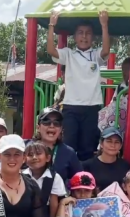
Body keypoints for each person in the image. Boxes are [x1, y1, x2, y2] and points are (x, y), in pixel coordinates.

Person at [47, 10, 111, 161]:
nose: (84, 36)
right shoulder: (69, 54)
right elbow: (50, 50)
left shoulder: (95, 55)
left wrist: (104, 25)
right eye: (80, 33)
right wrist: (51, 25)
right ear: (74, 37)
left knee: (87, 148)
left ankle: (85, 175)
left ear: (93, 37)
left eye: (88, 33)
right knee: (68, 146)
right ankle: (66, 174)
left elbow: (106, 50)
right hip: (71, 107)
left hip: (91, 107)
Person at [31, 107, 82, 185]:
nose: (52, 125)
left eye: (56, 123)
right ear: (38, 127)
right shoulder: (27, 148)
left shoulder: (69, 153)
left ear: (61, 129)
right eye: (46, 122)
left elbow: (80, 181)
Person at [23, 141, 67, 217]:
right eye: (30, 155)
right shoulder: (21, 176)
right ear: (24, 159)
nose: (34, 157)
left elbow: (54, 203)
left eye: (38, 154)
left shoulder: (54, 177)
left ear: (47, 158)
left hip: (46, 216)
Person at [82, 127, 130, 191]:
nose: (113, 145)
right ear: (101, 143)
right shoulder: (87, 166)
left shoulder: (125, 166)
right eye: (109, 141)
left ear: (120, 146)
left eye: (116, 142)